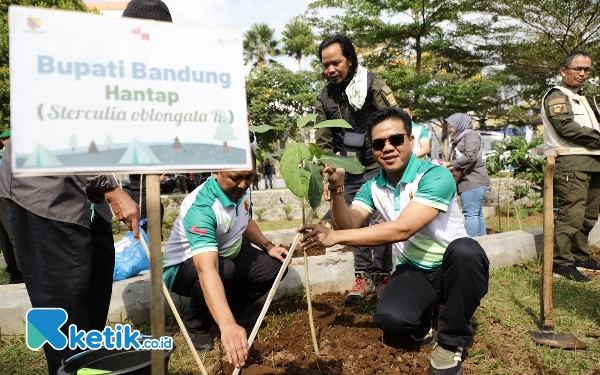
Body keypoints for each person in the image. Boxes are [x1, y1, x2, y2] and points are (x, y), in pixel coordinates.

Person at [300, 107, 489, 375]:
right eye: (378, 144)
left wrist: (334, 237)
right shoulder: (373, 186)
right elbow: (349, 224)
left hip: (452, 266)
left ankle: (451, 340)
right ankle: (428, 316)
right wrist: (337, 188)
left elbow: (402, 229)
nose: (387, 148)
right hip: (415, 268)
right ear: (373, 150)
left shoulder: (435, 175)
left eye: (396, 140)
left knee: (466, 251)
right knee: (392, 321)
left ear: (411, 141)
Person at [0, 141, 139, 375]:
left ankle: (89, 366)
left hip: (89, 200)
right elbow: (56, 129)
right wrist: (112, 189)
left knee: (95, 298)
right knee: (63, 311)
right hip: (47, 198)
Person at [162, 153, 288, 369]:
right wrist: (228, 325)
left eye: (249, 177)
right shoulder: (201, 208)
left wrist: (268, 246)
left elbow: (244, 221)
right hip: (183, 269)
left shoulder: (241, 190)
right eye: (236, 177)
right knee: (223, 269)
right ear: (216, 171)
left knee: (276, 266)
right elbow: (206, 270)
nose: (243, 184)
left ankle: (229, 307)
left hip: (225, 256)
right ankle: (195, 324)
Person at [314, 34, 395, 304]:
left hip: (377, 166)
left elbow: (394, 121)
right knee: (351, 227)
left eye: (335, 62)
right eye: (325, 65)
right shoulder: (325, 96)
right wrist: (329, 172)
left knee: (381, 221)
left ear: (350, 59)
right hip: (346, 170)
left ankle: (384, 277)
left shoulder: (373, 84)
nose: (330, 70)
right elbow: (323, 140)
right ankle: (363, 279)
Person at [541, 50, 600, 282]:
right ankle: (560, 262)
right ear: (563, 71)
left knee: (589, 215)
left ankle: (580, 256)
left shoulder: (584, 98)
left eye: (587, 69)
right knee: (571, 214)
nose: (583, 74)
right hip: (570, 161)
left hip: (594, 161)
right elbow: (566, 128)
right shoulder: (557, 96)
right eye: (578, 69)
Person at [442, 113, 490, 237]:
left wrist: (450, 164)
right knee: (476, 213)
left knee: (471, 214)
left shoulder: (471, 136)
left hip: (473, 181)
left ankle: (471, 242)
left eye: (451, 126)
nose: (449, 129)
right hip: (469, 180)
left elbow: (471, 157)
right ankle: (481, 241)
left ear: (459, 124)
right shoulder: (461, 137)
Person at [0, 129, 22, 284]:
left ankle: (15, 274)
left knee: (5, 237)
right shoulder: (11, 155)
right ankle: (22, 273)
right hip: (5, 195)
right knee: (15, 234)